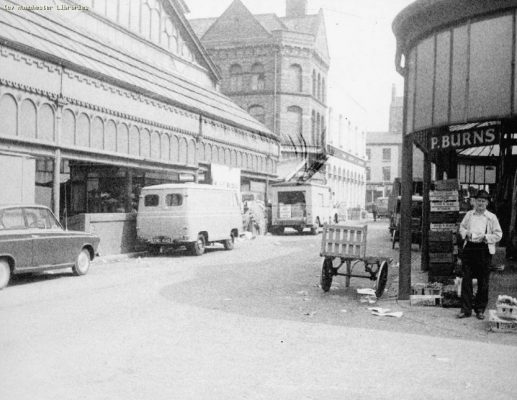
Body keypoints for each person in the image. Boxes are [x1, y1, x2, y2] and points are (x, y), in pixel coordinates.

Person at [457, 190, 502, 320]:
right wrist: (467, 234)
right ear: (474, 202)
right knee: (466, 279)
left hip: (484, 250)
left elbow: (499, 234)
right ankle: (466, 310)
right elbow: (462, 228)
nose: (480, 203)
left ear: (487, 203)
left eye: (483, 201)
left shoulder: (491, 217)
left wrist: (486, 237)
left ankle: (480, 309)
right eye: (478, 201)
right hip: (470, 248)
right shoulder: (469, 215)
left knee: (483, 281)